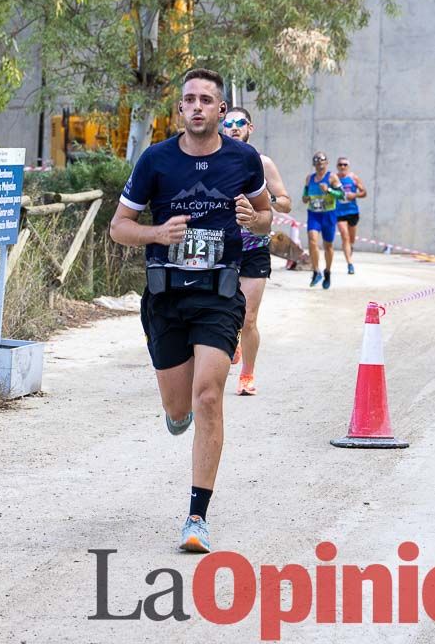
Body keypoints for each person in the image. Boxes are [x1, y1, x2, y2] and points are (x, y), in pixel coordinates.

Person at [109, 68, 272, 553]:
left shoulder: (244, 159)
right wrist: (157, 234)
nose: (197, 106)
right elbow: (120, 226)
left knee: (208, 397)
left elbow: (265, 221)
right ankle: (174, 413)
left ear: (222, 110)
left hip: (219, 295)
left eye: (206, 100)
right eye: (189, 100)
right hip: (165, 296)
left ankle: (197, 517)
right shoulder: (156, 160)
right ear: (179, 109)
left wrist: (254, 219)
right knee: (179, 408)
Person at [220, 107, 292, 396]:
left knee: (248, 318)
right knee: (221, 313)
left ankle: (247, 375)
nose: (234, 128)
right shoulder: (212, 161)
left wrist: (265, 197)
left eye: (240, 123)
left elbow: (286, 203)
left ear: (250, 127)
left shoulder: (262, 163)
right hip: (221, 249)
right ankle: (230, 343)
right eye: (229, 124)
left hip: (254, 249)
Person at [302, 151, 344, 289]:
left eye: (322, 161)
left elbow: (341, 195)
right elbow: (304, 196)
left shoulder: (332, 177)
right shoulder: (310, 178)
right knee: (312, 240)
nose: (320, 163)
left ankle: (328, 272)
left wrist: (329, 190)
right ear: (314, 164)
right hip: (314, 214)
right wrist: (306, 198)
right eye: (317, 161)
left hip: (328, 214)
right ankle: (315, 271)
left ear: (326, 163)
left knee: (328, 246)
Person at [333, 156, 367, 275]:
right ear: (337, 166)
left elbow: (364, 192)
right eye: (340, 164)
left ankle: (350, 247)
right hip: (339, 212)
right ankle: (350, 264)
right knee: (345, 236)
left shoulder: (353, 178)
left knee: (351, 239)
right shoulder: (334, 178)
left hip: (352, 212)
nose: (342, 167)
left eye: (345, 164)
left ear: (348, 166)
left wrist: (355, 195)